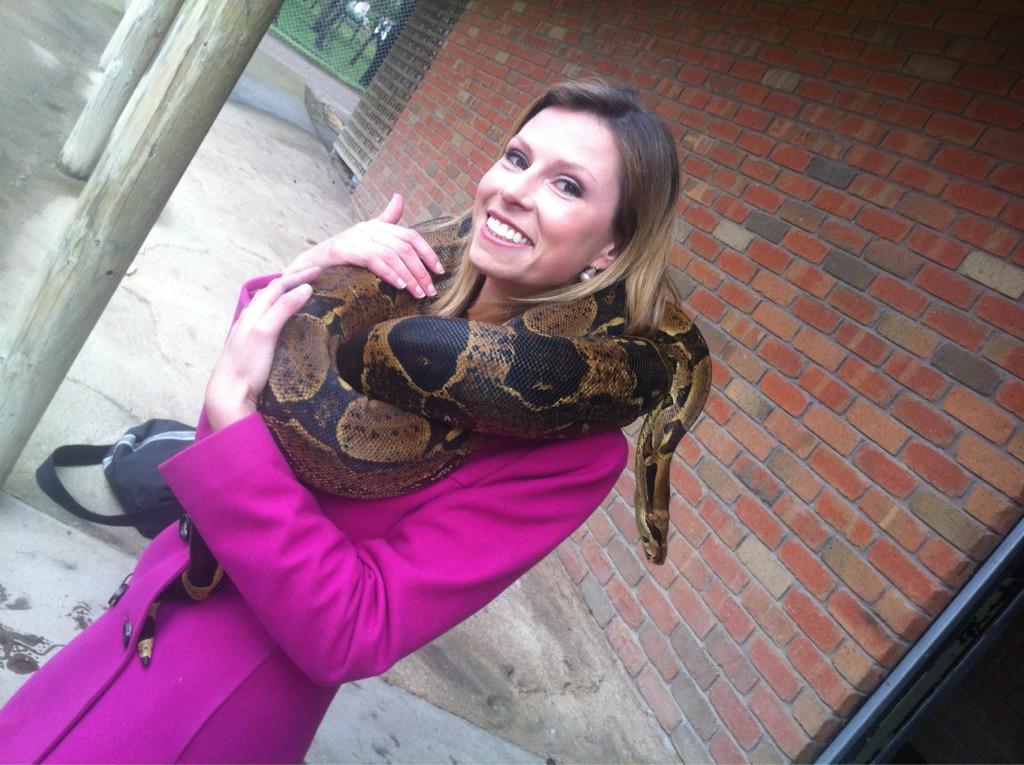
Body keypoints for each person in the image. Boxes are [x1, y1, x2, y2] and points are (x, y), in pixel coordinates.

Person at [0, 79, 681, 762]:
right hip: (135, 614)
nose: (514, 190)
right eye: (516, 157)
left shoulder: (574, 453)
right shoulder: (391, 283)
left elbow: (354, 629)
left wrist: (237, 413)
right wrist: (311, 273)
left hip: (210, 709)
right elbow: (220, 449)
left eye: (567, 186)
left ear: (610, 250)